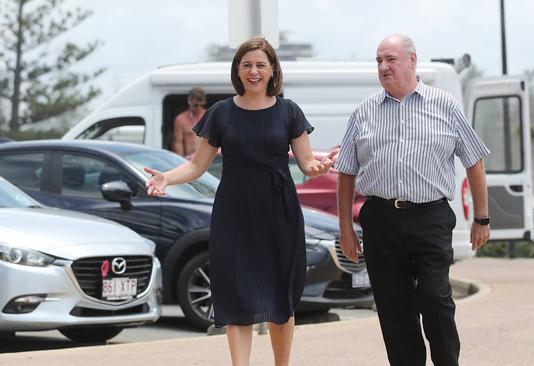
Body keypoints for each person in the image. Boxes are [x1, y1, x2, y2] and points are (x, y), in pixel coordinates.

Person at [145, 38, 335, 366]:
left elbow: (305, 163)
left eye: (261, 64)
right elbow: (196, 165)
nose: (254, 71)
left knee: (281, 299)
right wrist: (166, 178)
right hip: (234, 213)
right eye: (246, 64)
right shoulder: (221, 113)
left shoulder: (289, 111)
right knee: (238, 296)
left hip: (279, 212)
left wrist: (319, 167)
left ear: (273, 69)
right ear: (237, 70)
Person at [335, 34, 491, 366]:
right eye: (378, 61)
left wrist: (482, 217)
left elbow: (474, 159)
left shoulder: (444, 104)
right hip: (380, 219)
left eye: (390, 59)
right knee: (394, 310)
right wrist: (346, 229)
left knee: (435, 299)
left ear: (412, 60)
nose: (383, 66)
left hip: (430, 217)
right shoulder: (364, 112)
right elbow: (346, 171)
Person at [172, 86, 207, 157]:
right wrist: (181, 161)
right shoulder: (180, 119)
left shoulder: (209, 116)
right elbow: (178, 142)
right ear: (189, 100)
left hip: (207, 160)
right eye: (196, 105)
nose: (199, 107)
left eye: (201, 104)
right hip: (189, 160)